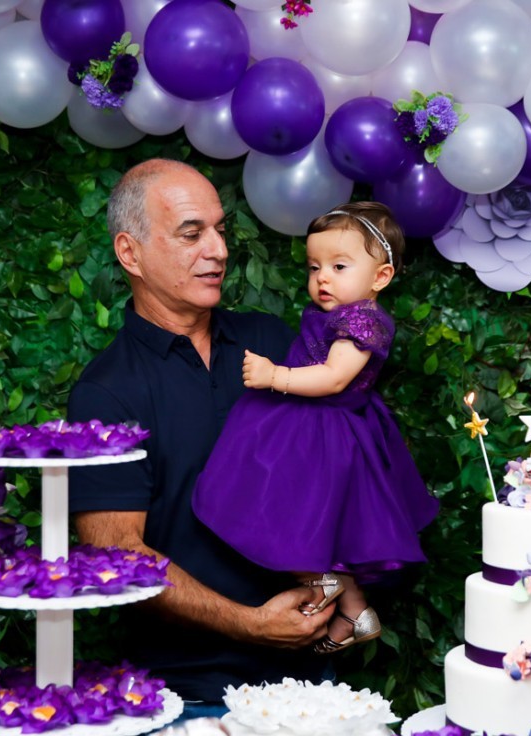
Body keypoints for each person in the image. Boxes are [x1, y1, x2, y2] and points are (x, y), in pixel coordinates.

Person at [68, 159, 334, 714]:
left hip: (313, 684)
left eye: (219, 230)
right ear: (130, 253)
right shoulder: (107, 392)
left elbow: (338, 464)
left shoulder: (271, 342)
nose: (218, 250)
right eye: (192, 234)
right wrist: (251, 624)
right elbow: (116, 553)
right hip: (184, 694)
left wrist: (341, 585)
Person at [191, 202, 439, 652]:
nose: (322, 277)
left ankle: (322, 581)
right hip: (313, 422)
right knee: (310, 521)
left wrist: (276, 376)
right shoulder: (341, 313)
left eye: (339, 266)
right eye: (314, 266)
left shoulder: (362, 320)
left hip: (327, 431)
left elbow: (335, 377)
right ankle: (355, 611)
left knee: (288, 512)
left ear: (380, 277)